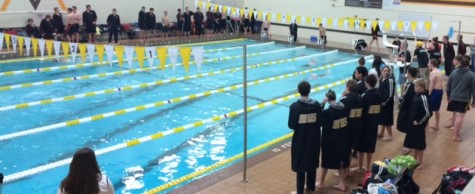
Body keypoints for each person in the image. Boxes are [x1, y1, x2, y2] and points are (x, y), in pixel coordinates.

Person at [288, 81, 322, 194]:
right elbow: (320, 122)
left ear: (298, 91)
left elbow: (291, 125)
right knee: (312, 163)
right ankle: (311, 188)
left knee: (300, 166)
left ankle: (300, 191)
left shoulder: (295, 107)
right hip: (314, 139)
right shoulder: (316, 105)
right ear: (309, 91)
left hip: (301, 140)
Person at [316, 90, 349, 192]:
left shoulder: (328, 112)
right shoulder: (344, 108)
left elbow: (318, 118)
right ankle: (342, 184)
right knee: (341, 161)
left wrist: (322, 103)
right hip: (342, 138)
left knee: (325, 162)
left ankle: (321, 183)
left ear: (327, 99)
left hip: (330, 141)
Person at [354, 74, 382, 173]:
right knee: (370, 146)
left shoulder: (365, 96)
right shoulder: (378, 94)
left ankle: (360, 166)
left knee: (361, 146)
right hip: (374, 123)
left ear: (367, 83)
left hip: (364, 124)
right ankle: (368, 166)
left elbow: (360, 110)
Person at [403, 79, 432, 169]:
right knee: (414, 143)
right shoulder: (417, 95)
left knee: (420, 144)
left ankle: (421, 162)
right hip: (413, 124)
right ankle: (414, 160)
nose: (414, 88)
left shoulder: (423, 98)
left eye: (416, 86)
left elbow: (428, 113)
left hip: (418, 125)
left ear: (422, 87)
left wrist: (419, 122)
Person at [446, 56, 475, 141]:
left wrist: (448, 96)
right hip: (464, 99)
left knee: (456, 115)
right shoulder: (472, 75)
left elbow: (448, 86)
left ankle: (455, 132)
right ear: (468, 64)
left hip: (453, 97)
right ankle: (455, 135)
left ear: (460, 63)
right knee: (460, 117)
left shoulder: (454, 72)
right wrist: (474, 101)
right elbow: (474, 90)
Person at [339, 80, 363, 176]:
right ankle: (347, 170)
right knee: (349, 150)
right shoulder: (361, 98)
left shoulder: (344, 99)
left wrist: (342, 96)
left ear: (348, 88)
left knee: (344, 151)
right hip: (357, 127)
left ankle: (343, 172)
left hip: (346, 129)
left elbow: (338, 112)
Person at [397, 67, 417, 134]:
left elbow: (406, 96)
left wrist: (401, 102)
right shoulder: (417, 82)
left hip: (409, 106)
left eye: (407, 73)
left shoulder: (410, 85)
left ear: (409, 74)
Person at [378, 66, 396, 140]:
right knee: (383, 117)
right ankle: (381, 132)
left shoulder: (390, 80)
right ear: (382, 71)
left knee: (387, 118)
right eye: (384, 71)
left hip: (387, 103)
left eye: (387, 71)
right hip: (382, 102)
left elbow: (390, 94)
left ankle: (390, 135)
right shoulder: (381, 79)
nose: (386, 72)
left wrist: (384, 103)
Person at [428, 59, 444, 130]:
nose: (427, 64)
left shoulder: (433, 72)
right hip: (440, 91)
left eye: (428, 63)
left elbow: (431, 85)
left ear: (432, 64)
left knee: (428, 109)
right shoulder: (439, 71)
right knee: (437, 109)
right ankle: (437, 125)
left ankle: (426, 126)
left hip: (435, 91)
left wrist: (428, 94)